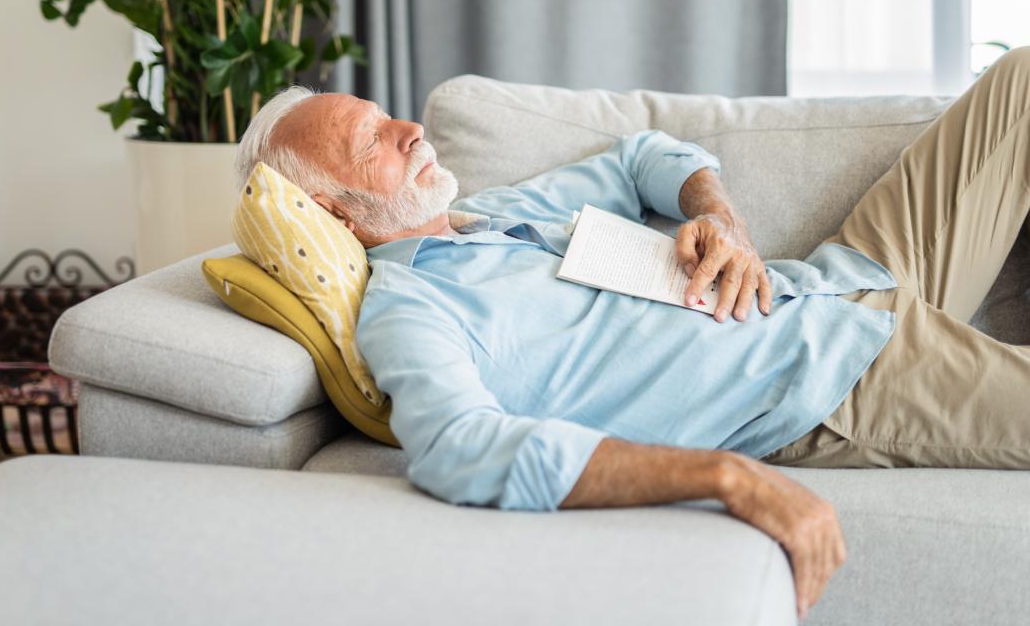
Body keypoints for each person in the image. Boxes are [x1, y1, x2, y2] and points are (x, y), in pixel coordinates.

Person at [235, 47, 1030, 619]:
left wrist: (721, 219)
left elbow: (641, 157)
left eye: (386, 117)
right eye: (371, 141)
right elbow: (460, 448)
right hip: (840, 377)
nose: (409, 129)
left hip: (840, 274)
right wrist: (726, 476)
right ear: (334, 212)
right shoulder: (410, 309)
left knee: (1020, 80)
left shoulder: (496, 213)